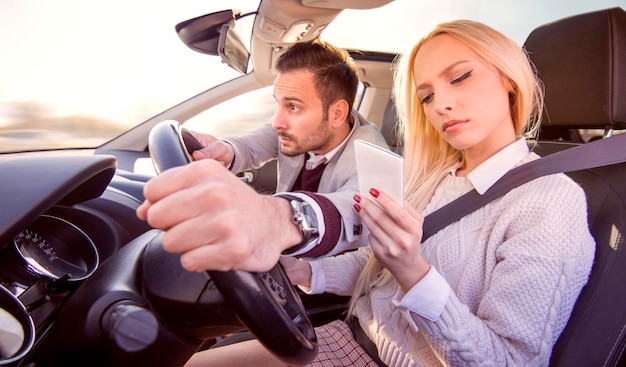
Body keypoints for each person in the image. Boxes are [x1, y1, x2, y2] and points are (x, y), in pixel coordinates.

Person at [183, 19, 596, 366]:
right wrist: (308, 272)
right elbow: (376, 260)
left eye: (460, 76)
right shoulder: (434, 177)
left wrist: (412, 270)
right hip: (348, 337)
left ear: (508, 80)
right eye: (427, 96)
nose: (441, 105)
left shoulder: (550, 201)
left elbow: (508, 361)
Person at [137, 38, 388, 272]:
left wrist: (278, 220)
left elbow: (350, 212)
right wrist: (223, 151)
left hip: (330, 278)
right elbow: (251, 145)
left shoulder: (374, 160)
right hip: (285, 262)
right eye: (277, 103)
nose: (278, 121)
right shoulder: (297, 129)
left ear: (336, 114)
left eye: (293, 106)